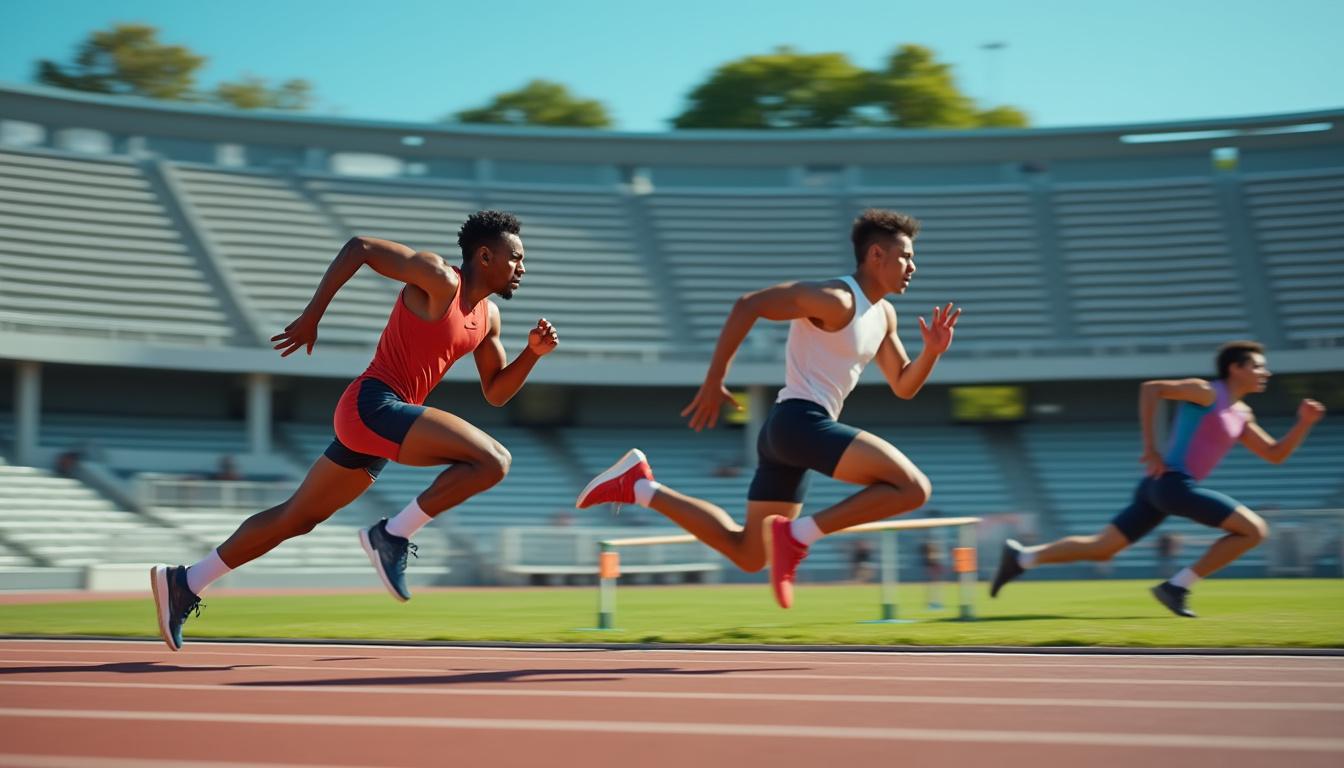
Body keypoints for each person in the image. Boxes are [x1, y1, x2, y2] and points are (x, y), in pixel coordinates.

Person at [150, 211, 558, 650]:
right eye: (516, 258)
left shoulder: (488, 318)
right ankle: (392, 535)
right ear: (485, 255)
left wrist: (532, 354)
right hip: (372, 404)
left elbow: (496, 391)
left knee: (296, 518)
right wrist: (312, 317)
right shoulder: (439, 278)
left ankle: (186, 582)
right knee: (494, 461)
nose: (523, 269)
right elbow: (360, 248)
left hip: (380, 425)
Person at [576, 209, 961, 608]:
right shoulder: (835, 298)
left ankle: (639, 486)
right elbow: (749, 305)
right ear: (876, 255)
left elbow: (903, 384)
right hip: (799, 422)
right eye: (906, 257)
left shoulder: (884, 315)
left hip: (789, 434)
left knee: (749, 553)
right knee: (913, 488)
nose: (913, 267)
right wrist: (714, 381)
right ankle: (798, 536)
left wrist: (931, 352)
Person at [990, 341, 1326, 617]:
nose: (1264, 373)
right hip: (1172, 483)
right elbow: (1151, 390)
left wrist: (1304, 423)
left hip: (1158, 488)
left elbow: (1275, 454)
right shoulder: (1207, 391)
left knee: (1102, 548)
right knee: (1254, 530)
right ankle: (1176, 587)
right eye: (1256, 366)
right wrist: (1151, 449)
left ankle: (1021, 557)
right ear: (1235, 368)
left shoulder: (1242, 414)